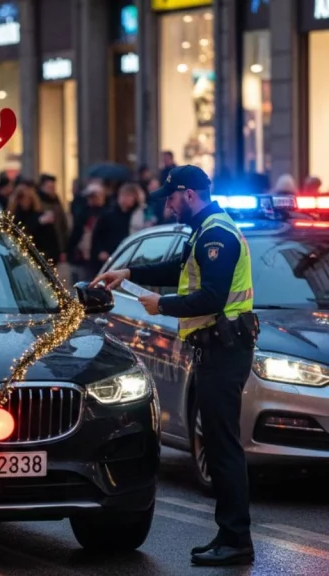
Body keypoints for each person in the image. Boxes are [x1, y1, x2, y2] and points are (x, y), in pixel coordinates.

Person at [92, 165, 257, 567]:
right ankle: (229, 534)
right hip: (214, 347)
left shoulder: (216, 234)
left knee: (223, 447)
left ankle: (236, 538)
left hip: (223, 347)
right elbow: (176, 270)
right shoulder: (203, 231)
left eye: (171, 197)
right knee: (218, 445)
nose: (167, 205)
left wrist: (161, 305)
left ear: (188, 193)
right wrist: (129, 273)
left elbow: (213, 297)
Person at [90, 182, 139, 266]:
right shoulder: (108, 215)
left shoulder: (135, 216)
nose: (127, 199)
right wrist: (100, 251)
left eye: (130, 196)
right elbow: (96, 237)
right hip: (109, 258)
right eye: (124, 196)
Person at [7, 182, 58, 261]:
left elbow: (51, 239)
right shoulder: (13, 216)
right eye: (21, 197)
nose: (25, 200)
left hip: (40, 254)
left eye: (28, 197)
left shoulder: (39, 215)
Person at [37, 174, 69, 266]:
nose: (52, 190)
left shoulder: (56, 201)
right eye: (49, 187)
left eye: (53, 187)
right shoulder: (38, 202)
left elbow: (62, 225)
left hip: (55, 247)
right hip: (43, 246)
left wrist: (63, 249)